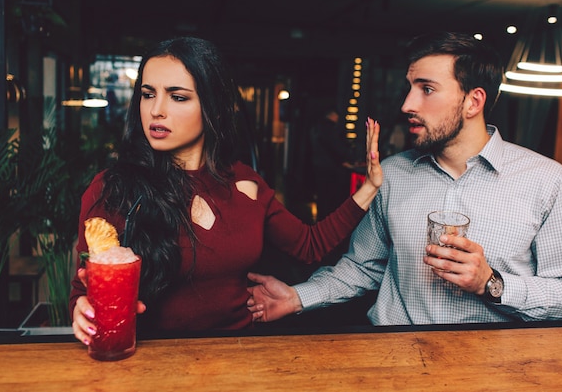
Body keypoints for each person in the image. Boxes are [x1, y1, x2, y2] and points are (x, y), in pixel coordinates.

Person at [247, 31, 562, 326]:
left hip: (489, 371)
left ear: (473, 101)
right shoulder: (396, 173)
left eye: (426, 89)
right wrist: (296, 297)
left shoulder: (547, 180)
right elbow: (362, 267)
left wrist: (490, 283)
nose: (407, 104)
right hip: (392, 363)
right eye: (410, 86)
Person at [69, 37, 382, 345]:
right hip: (154, 362)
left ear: (214, 109)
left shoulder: (246, 183)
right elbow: (83, 290)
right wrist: (82, 309)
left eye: (177, 97)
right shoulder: (113, 189)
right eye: (148, 94)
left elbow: (310, 246)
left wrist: (369, 188)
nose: (156, 110)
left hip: (238, 357)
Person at [310, 108, 352, 221]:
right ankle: (326, 220)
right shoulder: (328, 128)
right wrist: (344, 158)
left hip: (320, 164)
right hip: (329, 166)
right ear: (332, 115)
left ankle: (322, 218)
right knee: (329, 195)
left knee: (323, 194)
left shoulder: (317, 127)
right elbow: (335, 146)